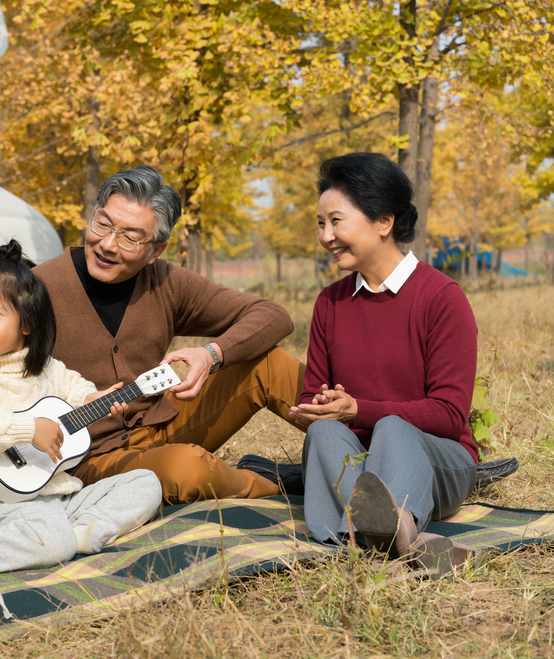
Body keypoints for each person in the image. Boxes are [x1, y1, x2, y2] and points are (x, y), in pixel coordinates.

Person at [32, 165, 305, 505]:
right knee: (188, 468)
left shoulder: (166, 283)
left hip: (165, 423)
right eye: (102, 224)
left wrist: (211, 355)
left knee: (269, 363)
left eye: (130, 237)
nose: (107, 245)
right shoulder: (34, 291)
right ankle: (277, 485)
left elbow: (272, 316)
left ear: (156, 250)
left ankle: (363, 455)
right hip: (91, 459)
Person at [291, 152, 478, 574]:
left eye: (336, 221)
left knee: (394, 428)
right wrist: (316, 410)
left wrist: (360, 409)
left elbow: (450, 416)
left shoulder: (442, 298)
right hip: (362, 458)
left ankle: (394, 529)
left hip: (438, 460)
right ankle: (386, 542)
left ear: (383, 222)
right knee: (322, 433)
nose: (325, 236)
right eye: (321, 224)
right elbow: (313, 393)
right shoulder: (329, 303)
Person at [0, 241, 162, 572]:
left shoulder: (46, 368)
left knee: (146, 481)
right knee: (52, 539)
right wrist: (29, 429)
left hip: (57, 499)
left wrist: (91, 399)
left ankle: (82, 531)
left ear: (27, 324)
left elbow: (75, 386)